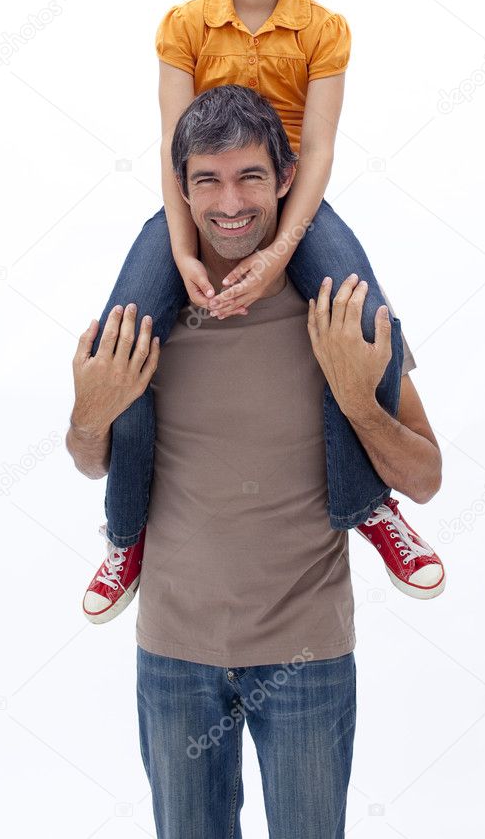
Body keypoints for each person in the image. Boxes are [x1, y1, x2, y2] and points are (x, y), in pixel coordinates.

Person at [66, 85, 443, 836]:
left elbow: (425, 476)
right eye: (207, 179)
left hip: (306, 651)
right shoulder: (147, 315)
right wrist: (90, 411)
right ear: (180, 188)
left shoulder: (336, 309)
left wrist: (356, 396)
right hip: (174, 652)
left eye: (249, 177)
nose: (229, 201)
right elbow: (89, 457)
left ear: (285, 178)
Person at [80, 0, 445, 624]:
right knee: (127, 334)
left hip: (289, 208)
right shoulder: (183, 24)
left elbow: (314, 153)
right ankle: (125, 532)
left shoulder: (324, 31)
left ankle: (369, 504)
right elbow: (171, 150)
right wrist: (181, 253)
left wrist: (282, 250)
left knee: (367, 315)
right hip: (200, 206)